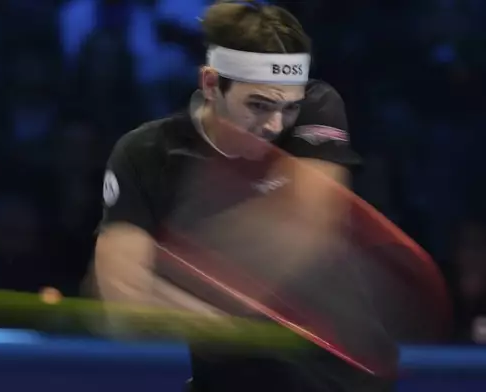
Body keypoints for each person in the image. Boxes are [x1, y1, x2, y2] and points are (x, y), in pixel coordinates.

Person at [89, 1, 392, 391]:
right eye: (259, 105)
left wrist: (167, 289)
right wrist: (201, 316)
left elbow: (305, 227)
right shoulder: (144, 154)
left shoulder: (320, 107)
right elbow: (123, 298)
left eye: (289, 107)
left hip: (339, 382)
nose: (275, 124)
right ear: (211, 84)